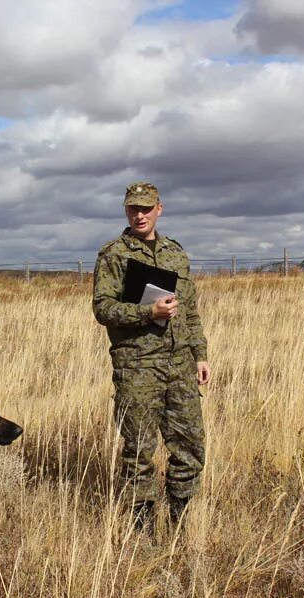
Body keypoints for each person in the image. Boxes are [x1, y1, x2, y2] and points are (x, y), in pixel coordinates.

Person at [92, 181, 209, 531]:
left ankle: (179, 523)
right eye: (133, 208)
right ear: (126, 210)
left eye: (146, 208)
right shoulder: (114, 254)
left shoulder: (175, 253)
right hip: (138, 367)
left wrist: (199, 354)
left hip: (180, 366)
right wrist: (148, 313)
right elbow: (103, 308)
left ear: (159, 208)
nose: (139, 215)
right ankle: (142, 531)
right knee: (139, 452)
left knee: (190, 445)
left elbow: (189, 310)